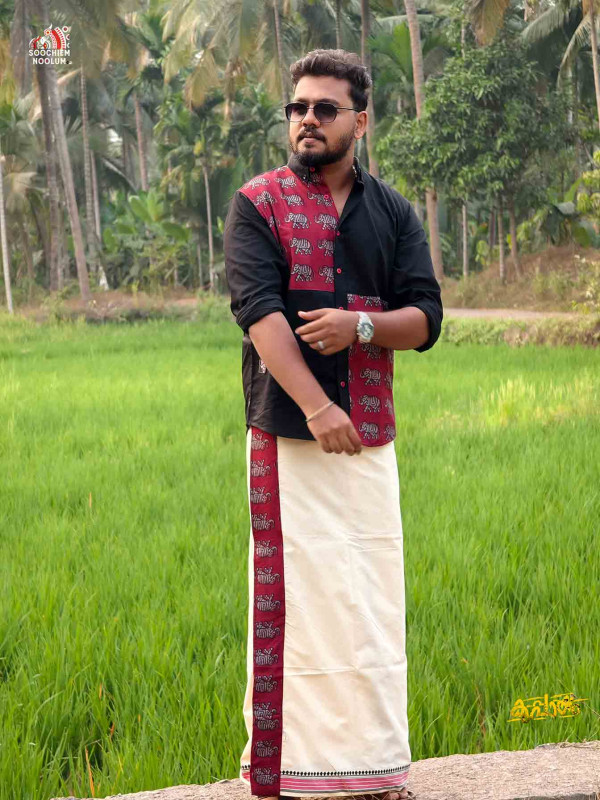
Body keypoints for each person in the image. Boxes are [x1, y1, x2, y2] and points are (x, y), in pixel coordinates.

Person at [224, 48, 443, 800]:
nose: (307, 120)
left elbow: (426, 317)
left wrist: (360, 326)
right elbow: (259, 312)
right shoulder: (258, 203)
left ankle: (373, 769)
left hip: (368, 436)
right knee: (294, 602)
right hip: (288, 438)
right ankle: (288, 776)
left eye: (325, 108)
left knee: (371, 599)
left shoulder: (395, 213)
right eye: (298, 108)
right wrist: (318, 408)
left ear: (361, 120)